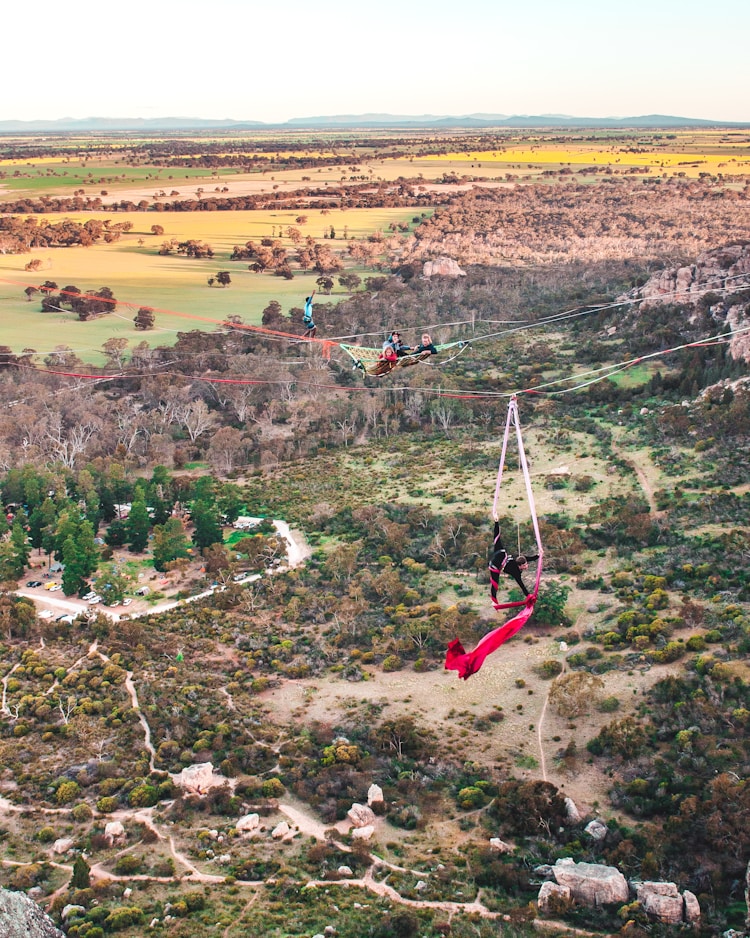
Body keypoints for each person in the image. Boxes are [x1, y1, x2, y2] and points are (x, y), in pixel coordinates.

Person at [489, 521, 539, 600]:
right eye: (525, 565)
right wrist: (528, 595)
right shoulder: (515, 571)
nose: (526, 566)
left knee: (497, 539)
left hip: (501, 553)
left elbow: (528, 558)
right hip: (495, 565)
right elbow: (521, 584)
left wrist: (538, 555)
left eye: (526, 564)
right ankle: (494, 600)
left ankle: (496, 521)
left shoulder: (519, 559)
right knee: (495, 583)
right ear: (520, 566)